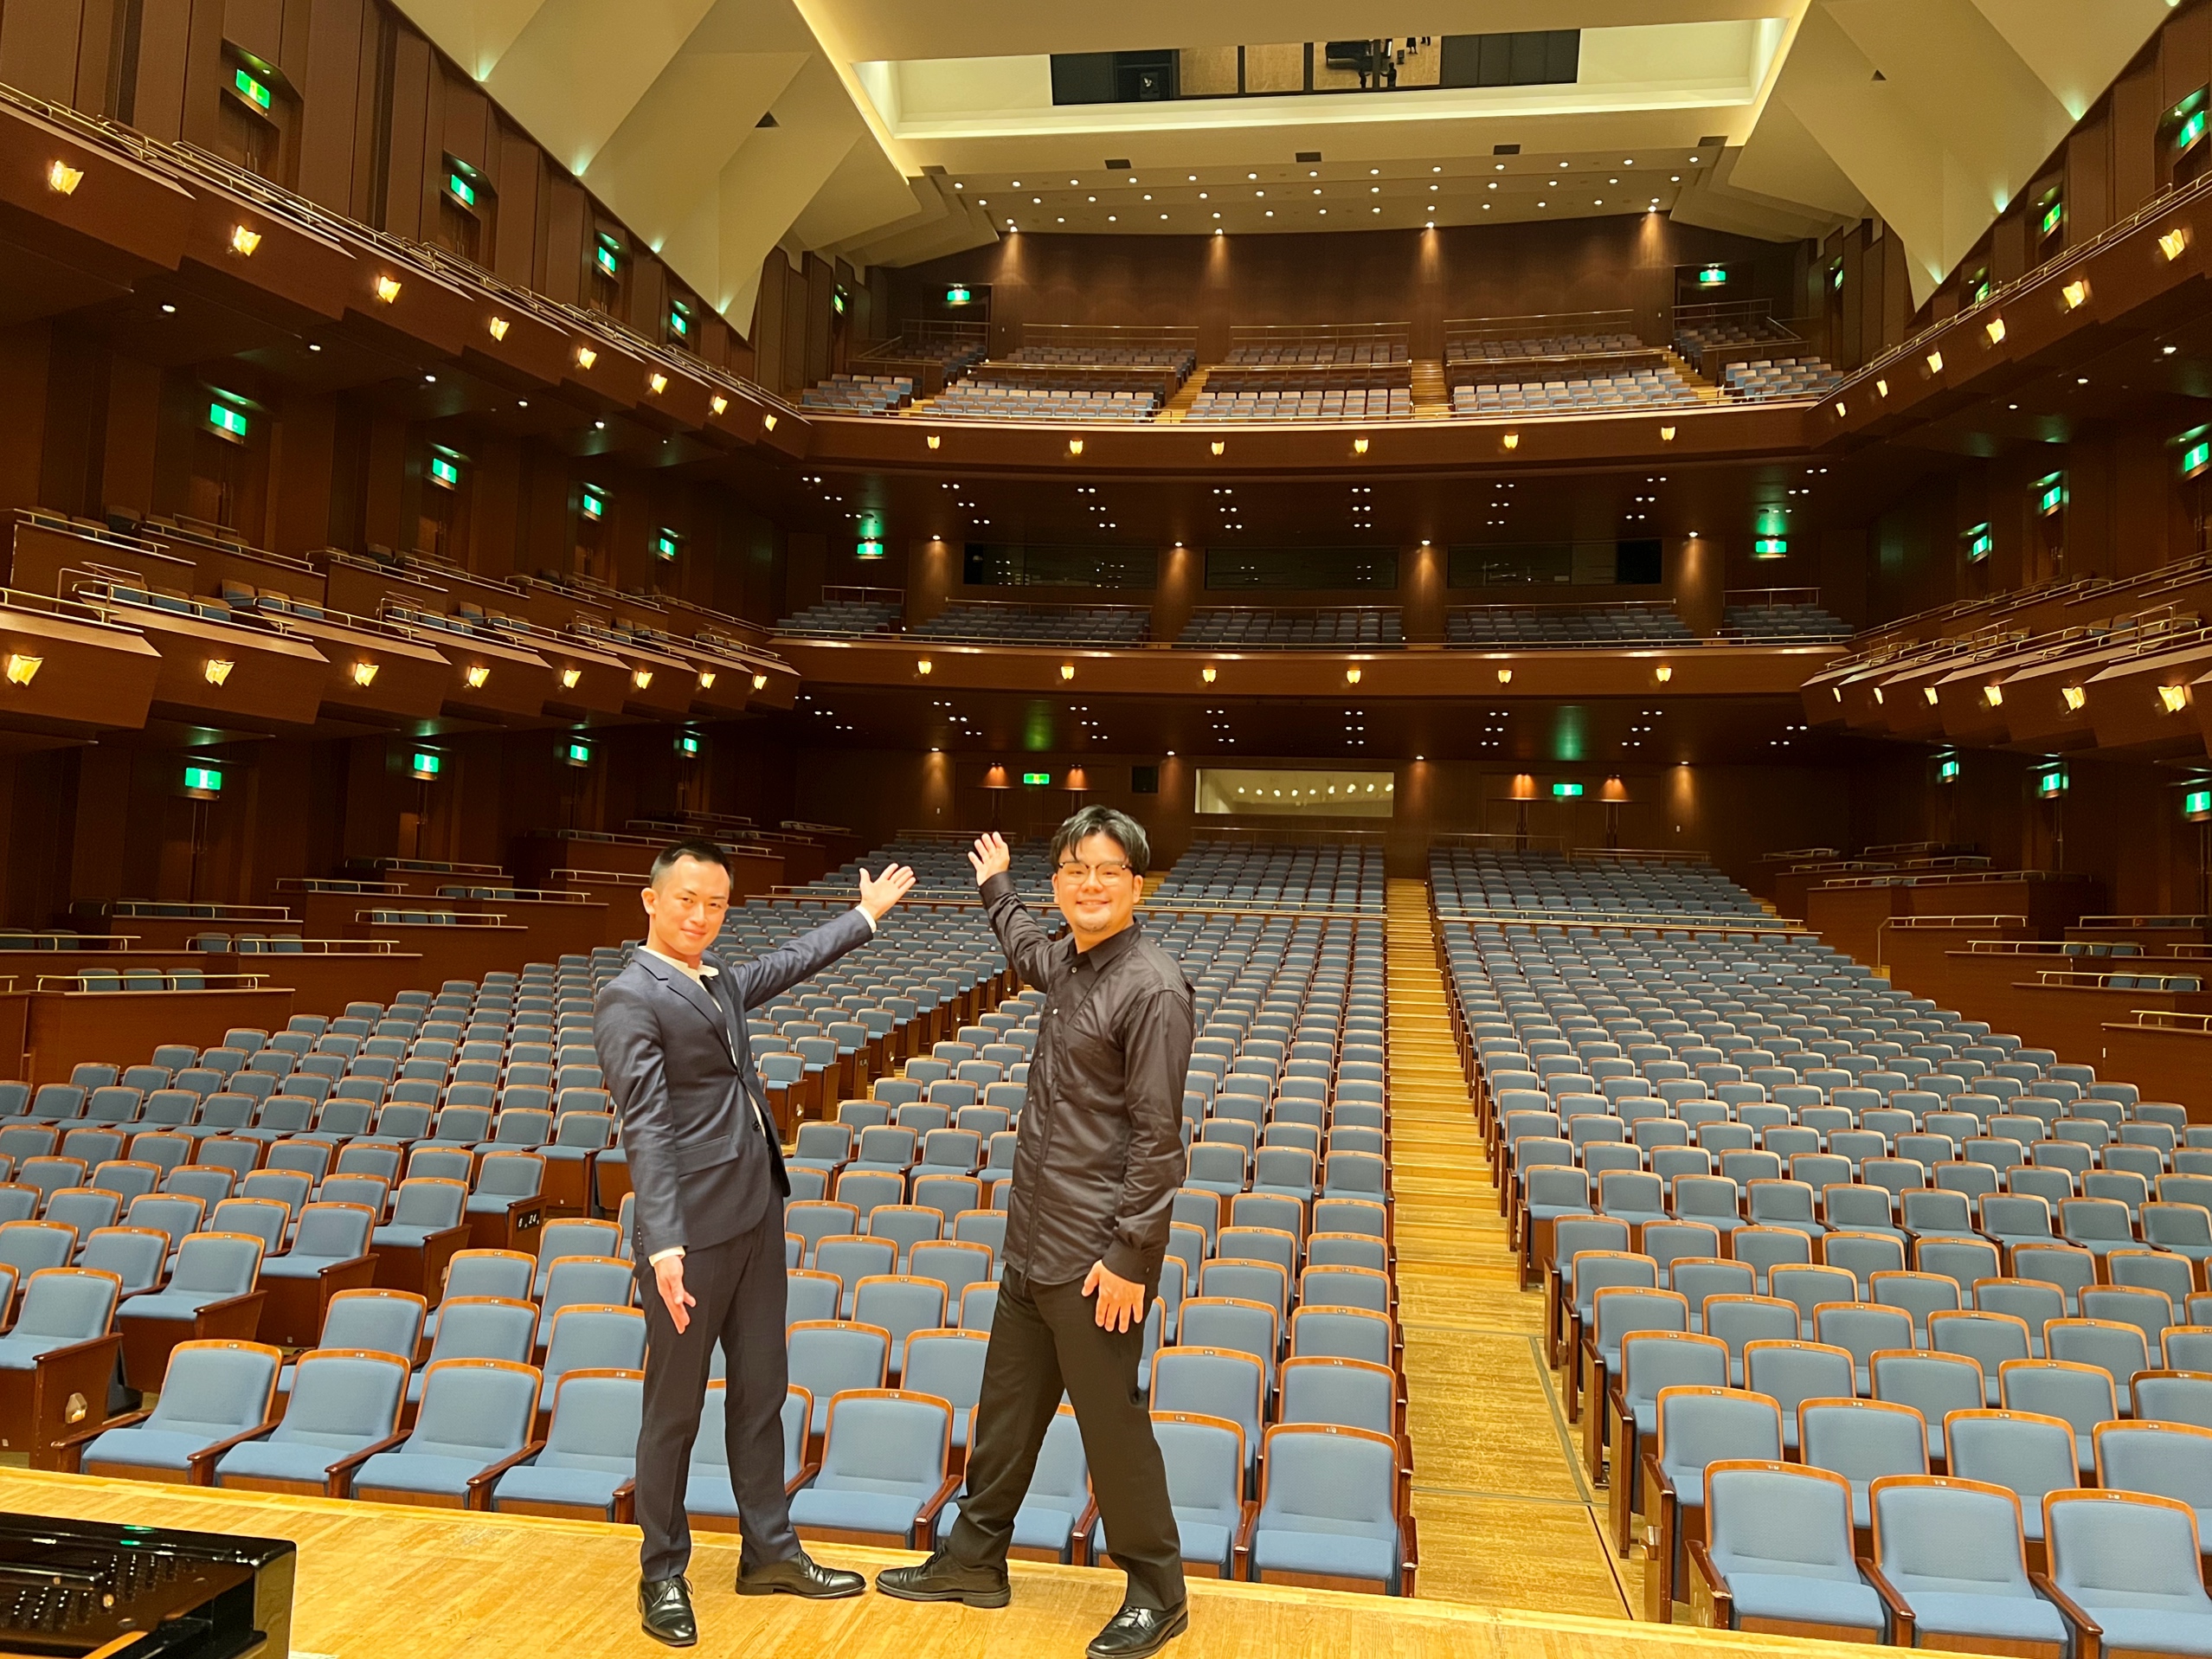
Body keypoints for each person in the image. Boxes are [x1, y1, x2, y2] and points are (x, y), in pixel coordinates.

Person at [876, 807, 1192, 1659]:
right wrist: (995, 886)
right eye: (1075, 870)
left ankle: (1157, 1590)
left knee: (1111, 1429)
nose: (1091, 884)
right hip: (1032, 1246)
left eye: (1109, 870)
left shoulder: (1152, 987)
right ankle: (974, 1559)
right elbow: (1024, 948)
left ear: (1136, 885)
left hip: (1095, 1260)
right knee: (1008, 1417)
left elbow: (1159, 1141)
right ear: (1058, 884)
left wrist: (1130, 1256)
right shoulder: (1070, 962)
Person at [596, 838, 916, 1648]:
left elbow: (789, 962)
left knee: (761, 1392)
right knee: (672, 1411)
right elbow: (646, 1127)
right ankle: (662, 1571)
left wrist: (864, 916)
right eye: (687, 900)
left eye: (716, 904)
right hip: (687, 1239)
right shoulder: (630, 997)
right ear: (651, 900)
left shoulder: (717, 980)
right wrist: (662, 1244)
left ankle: (768, 1549)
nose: (701, 916)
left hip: (754, 1215)